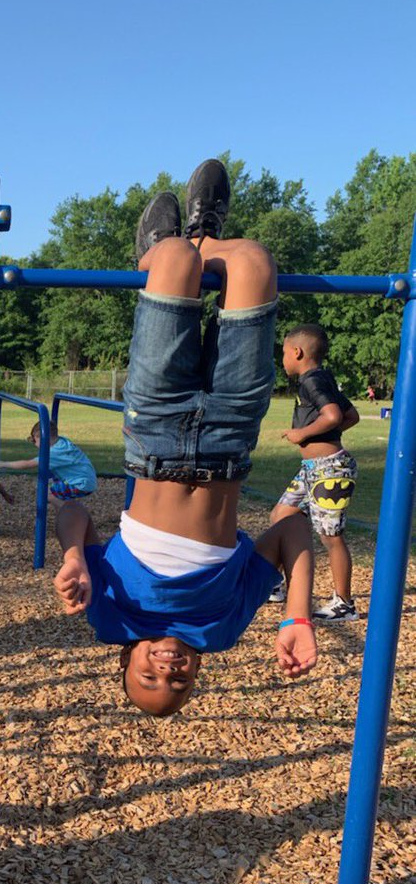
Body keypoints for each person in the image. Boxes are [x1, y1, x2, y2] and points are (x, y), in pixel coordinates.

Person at [53, 159, 317, 717]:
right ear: (196, 676)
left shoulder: (110, 616)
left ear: (125, 660)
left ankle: (163, 252)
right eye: (178, 684)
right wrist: (297, 614)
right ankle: (205, 234)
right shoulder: (222, 629)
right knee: (254, 261)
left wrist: (73, 555)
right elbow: (292, 528)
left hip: (154, 434)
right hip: (230, 436)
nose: (166, 671)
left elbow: (73, 512)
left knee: (174, 260)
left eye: (147, 677)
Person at [268, 324, 360, 621]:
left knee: (331, 536)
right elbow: (350, 416)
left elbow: (333, 415)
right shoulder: (322, 378)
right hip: (312, 469)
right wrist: (320, 436)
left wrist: (302, 434)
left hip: (330, 470)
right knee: (281, 515)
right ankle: (275, 585)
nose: (283, 359)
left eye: (284, 353)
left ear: (297, 352)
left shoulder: (311, 381)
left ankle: (344, 604)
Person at [0, 420, 97, 509]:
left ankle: (71, 513)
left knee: (46, 493)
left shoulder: (53, 453)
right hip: (86, 480)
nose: (34, 443)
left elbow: (27, 464)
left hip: (80, 484)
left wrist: (3, 464)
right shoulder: (62, 442)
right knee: (49, 483)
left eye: (34, 440)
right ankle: (65, 510)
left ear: (43, 438)